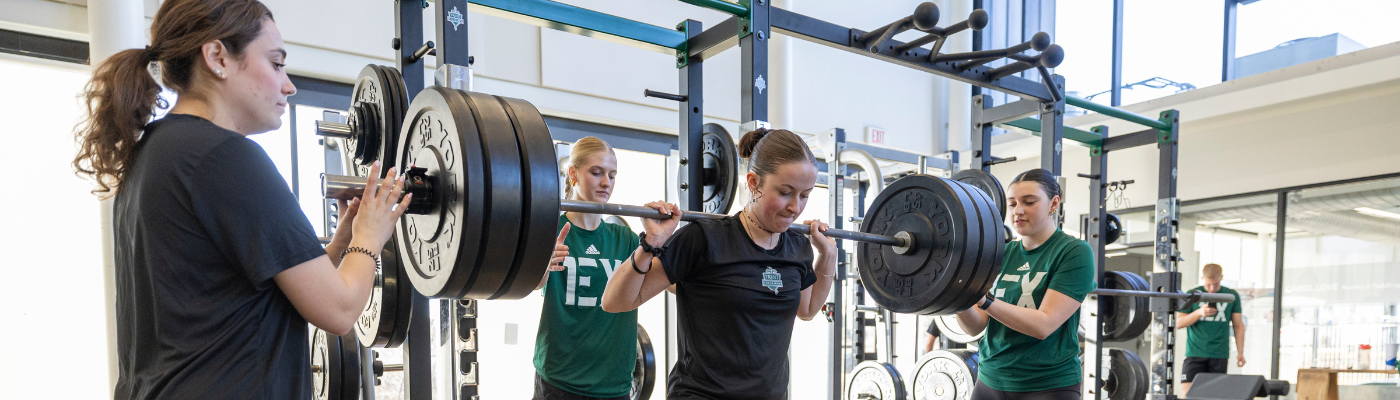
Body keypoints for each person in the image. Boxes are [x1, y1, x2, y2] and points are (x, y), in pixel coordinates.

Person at [72, 0, 408, 398]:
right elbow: (339, 311)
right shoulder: (224, 157)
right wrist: (371, 235)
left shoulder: (155, 153)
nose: (289, 85)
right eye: (276, 63)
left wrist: (340, 247)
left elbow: (237, 296)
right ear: (217, 58)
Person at [600, 128, 837, 400]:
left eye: (805, 195)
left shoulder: (797, 247)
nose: (795, 207)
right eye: (785, 192)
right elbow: (614, 302)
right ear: (753, 183)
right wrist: (650, 245)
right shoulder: (704, 239)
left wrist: (828, 257)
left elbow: (806, 310)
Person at [953, 168, 1096, 400]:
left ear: (1054, 203)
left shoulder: (1074, 252)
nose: (1018, 211)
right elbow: (975, 327)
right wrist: (956, 294)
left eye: (1029, 202)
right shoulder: (1001, 253)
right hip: (989, 379)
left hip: (1046, 385)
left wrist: (983, 298)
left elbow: (1044, 325)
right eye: (1012, 204)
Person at [532, 137, 641, 400]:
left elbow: (675, 283)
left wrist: (660, 238)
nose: (606, 182)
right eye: (596, 172)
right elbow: (533, 284)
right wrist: (542, 264)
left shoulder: (626, 239)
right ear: (573, 174)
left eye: (612, 175)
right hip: (560, 380)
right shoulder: (550, 231)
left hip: (614, 384)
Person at [1176, 263, 1246, 394]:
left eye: (1216, 284)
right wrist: (1198, 313)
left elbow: (1238, 325)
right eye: (1208, 284)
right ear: (1202, 278)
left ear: (1222, 278)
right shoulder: (1192, 294)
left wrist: (1240, 352)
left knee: (1215, 394)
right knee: (1188, 393)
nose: (1212, 289)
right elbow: (1178, 323)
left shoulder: (1231, 295)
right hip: (1195, 352)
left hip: (1219, 353)